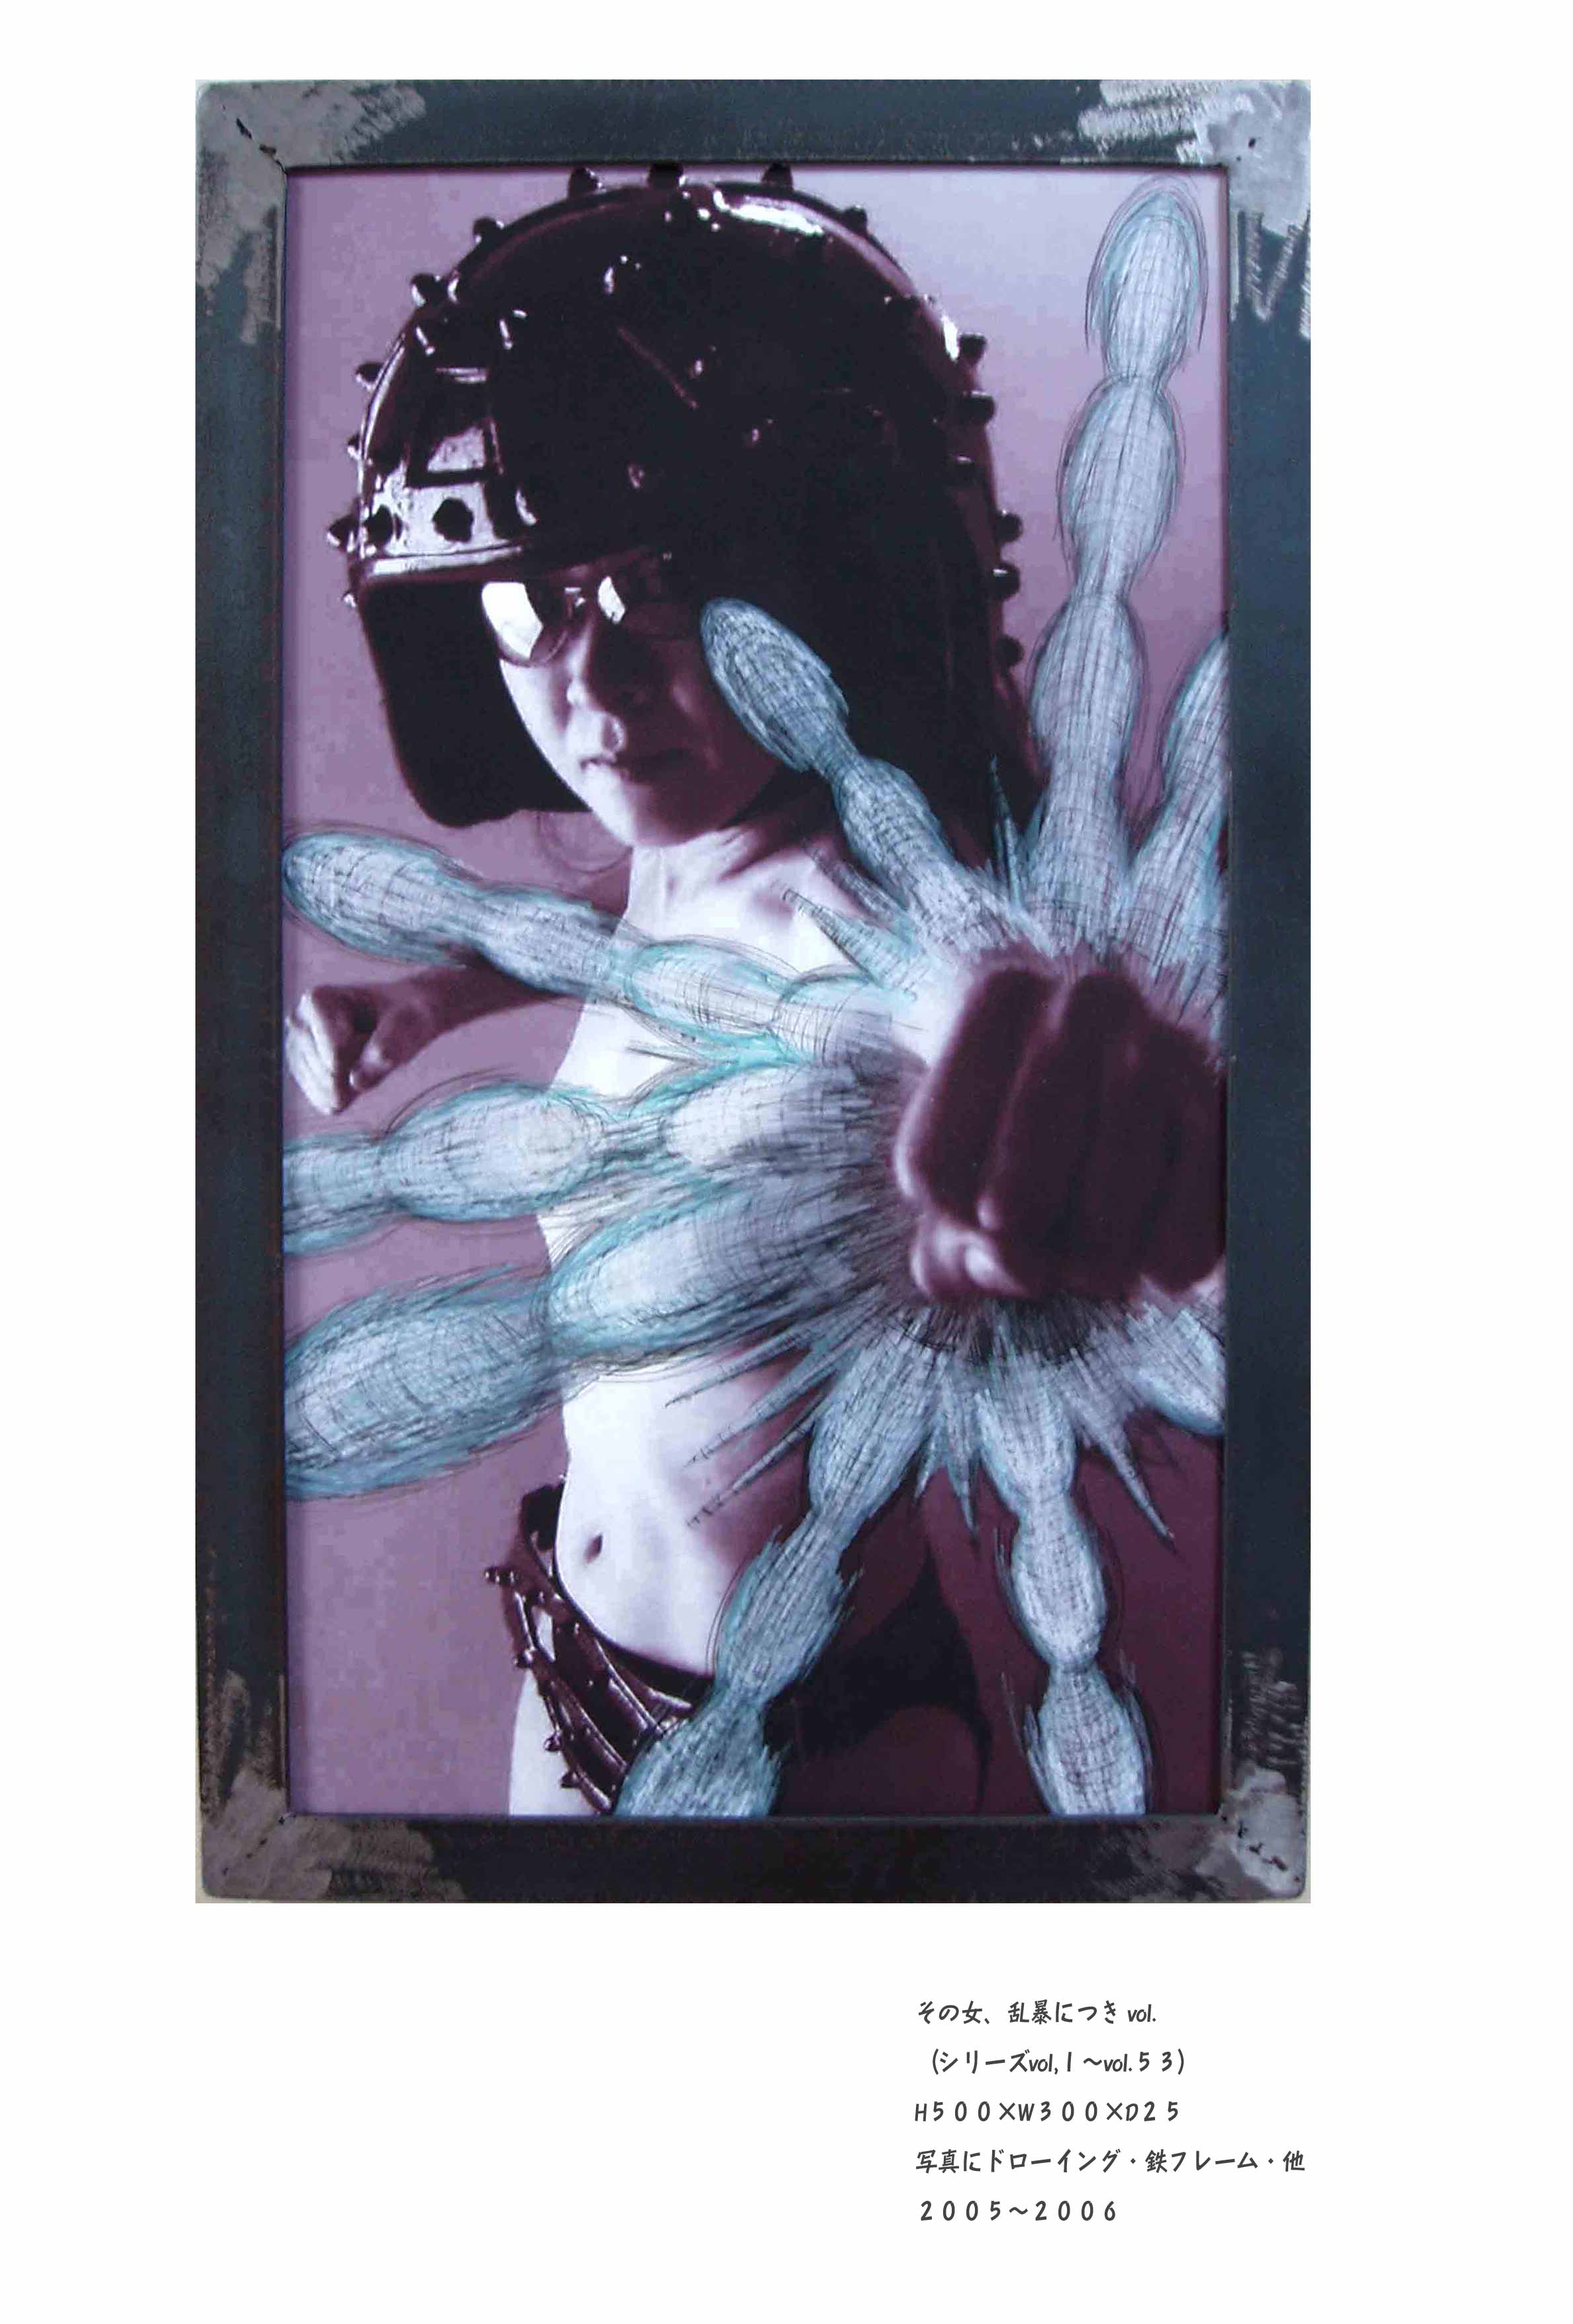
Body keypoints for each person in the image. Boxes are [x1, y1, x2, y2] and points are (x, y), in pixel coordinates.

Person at [285, 171, 1223, 1817]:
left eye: (661, 585)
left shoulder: (869, 919)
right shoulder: (686, 846)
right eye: (531, 601)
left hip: (797, 1774)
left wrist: (1163, 1158)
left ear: (826, 586)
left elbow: (975, 1005)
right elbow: (628, 931)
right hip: (577, 1682)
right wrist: (432, 994)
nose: (589, 679)